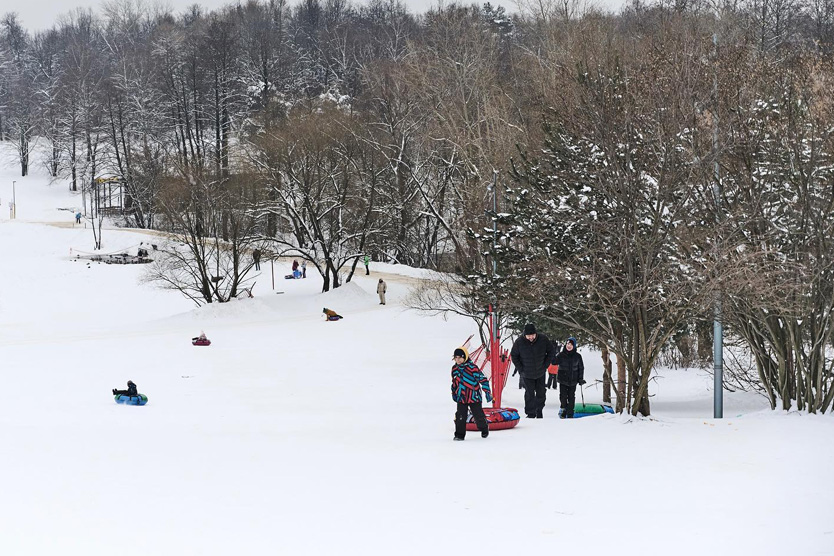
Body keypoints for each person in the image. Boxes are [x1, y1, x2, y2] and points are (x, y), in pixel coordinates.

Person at [510, 323, 555, 419]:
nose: (531, 337)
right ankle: (530, 413)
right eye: (528, 336)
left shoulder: (543, 339)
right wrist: (520, 369)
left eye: (532, 335)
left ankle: (539, 411)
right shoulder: (519, 342)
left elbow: (551, 351)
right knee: (529, 394)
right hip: (527, 373)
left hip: (540, 372)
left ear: (536, 334)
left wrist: (545, 365)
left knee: (541, 393)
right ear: (525, 335)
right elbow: (514, 355)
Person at [451, 347, 492, 441]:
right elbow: (454, 382)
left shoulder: (472, 368)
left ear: (464, 357)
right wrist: (454, 392)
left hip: (474, 396)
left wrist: (487, 392)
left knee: (478, 416)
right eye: (456, 358)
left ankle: (484, 428)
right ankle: (459, 435)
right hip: (461, 397)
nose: (458, 360)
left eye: (460, 357)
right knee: (460, 416)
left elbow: (483, 380)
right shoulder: (455, 369)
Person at [555, 337, 585, 419]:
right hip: (563, 380)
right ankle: (563, 409)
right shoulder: (561, 355)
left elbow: (581, 368)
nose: (569, 346)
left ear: (574, 346)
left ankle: (570, 411)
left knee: (571, 396)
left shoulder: (578, 356)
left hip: (573, 380)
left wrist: (580, 379)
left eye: (571, 345)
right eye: (568, 344)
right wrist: (553, 354)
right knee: (563, 396)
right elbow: (554, 361)